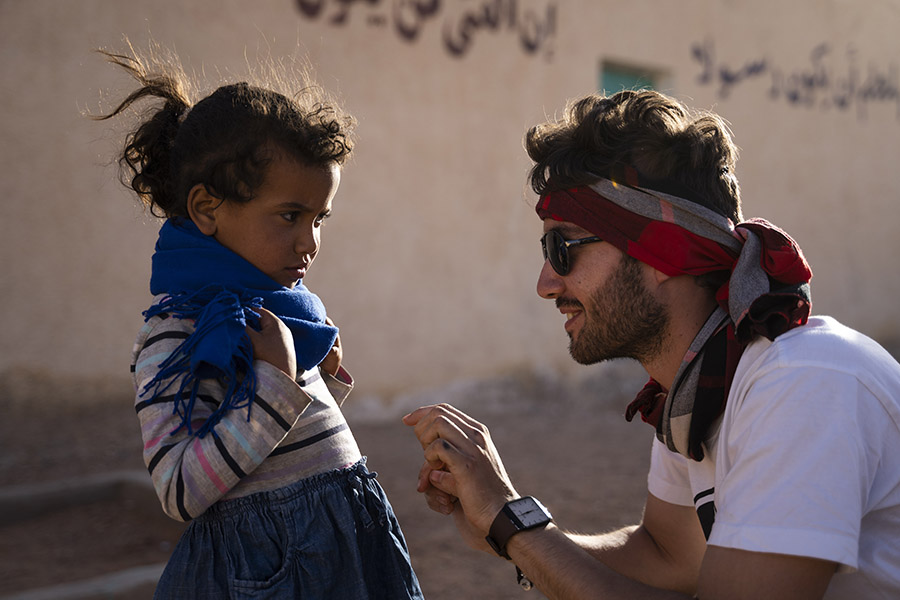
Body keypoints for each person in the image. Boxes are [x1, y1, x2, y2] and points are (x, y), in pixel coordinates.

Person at [404, 89, 900, 599]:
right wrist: (504, 527)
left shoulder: (807, 385)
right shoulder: (698, 388)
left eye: (563, 248)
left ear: (664, 251)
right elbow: (669, 557)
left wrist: (518, 532)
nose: (546, 284)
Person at [97, 44, 423, 599]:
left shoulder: (278, 311)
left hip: (345, 547)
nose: (310, 241)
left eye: (320, 218)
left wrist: (316, 379)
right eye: (290, 216)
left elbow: (275, 449)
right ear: (206, 209)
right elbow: (179, 489)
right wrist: (277, 383)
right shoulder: (175, 334)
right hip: (267, 574)